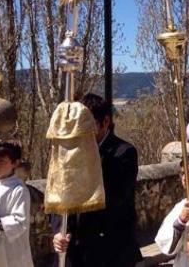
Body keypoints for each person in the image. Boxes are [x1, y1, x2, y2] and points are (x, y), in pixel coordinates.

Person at [52, 93, 142, 266]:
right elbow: (59, 194)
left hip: (109, 250)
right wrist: (59, 230)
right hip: (73, 252)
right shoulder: (70, 153)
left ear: (105, 122)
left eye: (88, 124)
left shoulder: (123, 153)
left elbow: (113, 197)